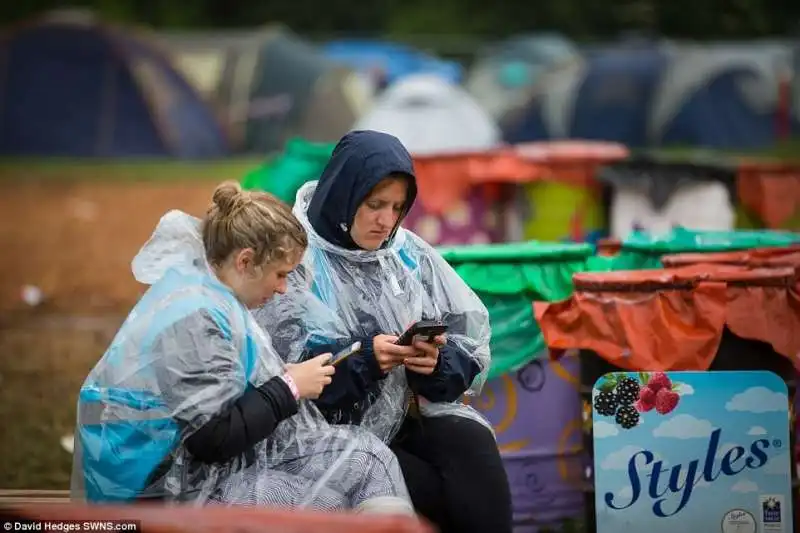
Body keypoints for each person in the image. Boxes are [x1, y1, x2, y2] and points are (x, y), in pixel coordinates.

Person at [70, 181, 413, 515]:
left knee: (371, 458)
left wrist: (285, 379)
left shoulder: (210, 294)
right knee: (329, 507)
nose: (282, 289)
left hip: (190, 472)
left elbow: (219, 400)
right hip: (158, 495)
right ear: (245, 262)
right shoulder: (197, 317)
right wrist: (290, 388)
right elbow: (211, 439)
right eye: (280, 274)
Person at [255, 131, 513, 532]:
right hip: (322, 435)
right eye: (374, 204)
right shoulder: (296, 258)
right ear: (343, 193)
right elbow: (281, 374)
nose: (386, 220)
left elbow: (469, 341)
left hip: (400, 419)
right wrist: (365, 358)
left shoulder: (406, 254)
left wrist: (434, 362)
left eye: (397, 207)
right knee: (436, 494)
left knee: (471, 446)